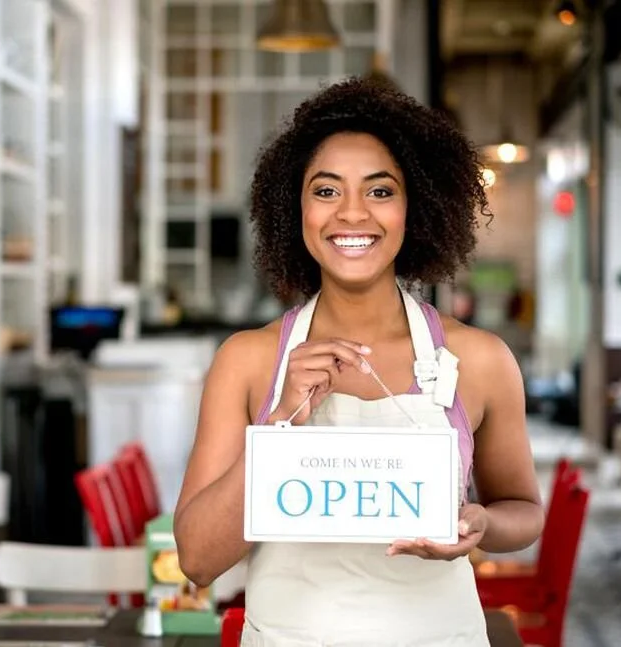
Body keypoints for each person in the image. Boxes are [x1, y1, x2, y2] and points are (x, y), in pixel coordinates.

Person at [173, 77, 544, 646]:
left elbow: (522, 510)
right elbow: (197, 559)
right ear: (294, 207)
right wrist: (279, 425)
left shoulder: (480, 360)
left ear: (413, 207)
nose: (351, 214)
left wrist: (483, 523)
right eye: (325, 191)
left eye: (379, 191)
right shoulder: (248, 362)